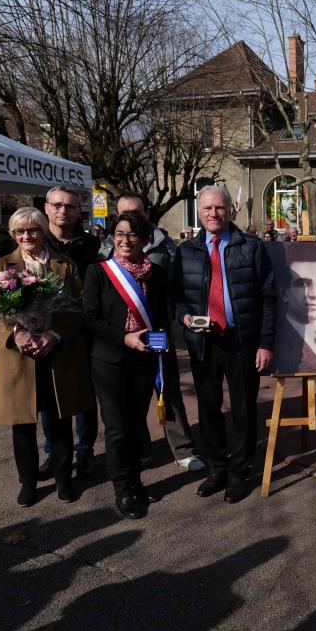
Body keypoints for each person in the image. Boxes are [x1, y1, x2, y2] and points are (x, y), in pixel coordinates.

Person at [171, 185, 275, 503]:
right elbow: (176, 298)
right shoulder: (186, 251)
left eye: (219, 208)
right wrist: (186, 319)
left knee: (243, 409)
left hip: (242, 340)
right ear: (199, 212)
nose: (214, 214)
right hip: (203, 342)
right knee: (208, 408)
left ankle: (239, 472)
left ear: (230, 209)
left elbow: (269, 297)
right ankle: (217, 468)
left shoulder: (253, 248)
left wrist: (265, 344)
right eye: (207, 209)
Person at [0, 206, 93, 506]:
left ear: (43, 231)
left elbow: (79, 308)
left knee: (60, 419)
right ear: (12, 234)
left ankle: (63, 479)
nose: (26, 236)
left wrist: (54, 333)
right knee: (22, 423)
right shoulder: (1, 266)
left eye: (32, 230)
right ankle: (28, 482)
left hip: (56, 352)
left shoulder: (64, 264)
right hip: (19, 355)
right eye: (20, 231)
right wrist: (16, 333)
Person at [98, 193, 204, 473]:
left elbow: (173, 287)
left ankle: (182, 449)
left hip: (156, 332)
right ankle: (142, 450)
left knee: (167, 389)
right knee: (131, 399)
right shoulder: (106, 248)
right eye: (122, 214)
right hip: (121, 339)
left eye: (135, 213)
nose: (129, 222)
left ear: (147, 213)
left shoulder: (166, 246)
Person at [83, 212, 169, 519]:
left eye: (132, 235)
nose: (125, 240)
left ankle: (135, 480)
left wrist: (161, 340)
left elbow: (160, 314)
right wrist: (124, 338)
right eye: (119, 234)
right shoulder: (99, 272)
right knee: (117, 427)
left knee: (135, 424)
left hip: (144, 360)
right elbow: (89, 318)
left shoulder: (157, 274)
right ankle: (123, 489)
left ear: (145, 240)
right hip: (109, 360)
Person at [41, 185, 102, 481]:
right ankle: (54, 451)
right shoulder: (36, 242)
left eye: (70, 206)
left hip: (84, 330)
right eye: (57, 205)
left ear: (79, 211)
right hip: (46, 330)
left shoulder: (92, 246)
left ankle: (85, 449)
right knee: (49, 393)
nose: (63, 210)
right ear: (46, 208)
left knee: (85, 393)